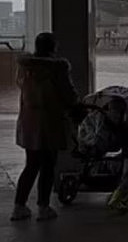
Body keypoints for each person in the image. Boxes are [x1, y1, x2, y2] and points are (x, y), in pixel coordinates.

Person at [11, 32, 78, 222]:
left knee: (31, 165)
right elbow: (68, 94)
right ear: (53, 47)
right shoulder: (57, 68)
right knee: (48, 165)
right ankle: (43, 206)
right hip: (51, 120)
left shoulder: (25, 68)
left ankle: (19, 206)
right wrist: (75, 107)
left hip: (29, 121)